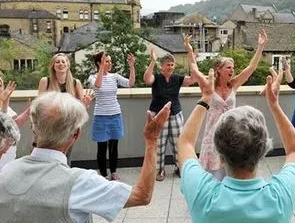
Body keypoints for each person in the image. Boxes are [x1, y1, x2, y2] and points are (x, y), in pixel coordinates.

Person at [0, 91, 171, 223]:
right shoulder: (78, 183)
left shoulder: (6, 172)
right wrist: (152, 140)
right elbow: (142, 195)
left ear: (33, 128)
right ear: (76, 134)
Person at [178, 62, 295, 223]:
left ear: (219, 150)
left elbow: (186, 143)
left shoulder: (202, 193)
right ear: (264, 149)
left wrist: (205, 100)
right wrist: (274, 104)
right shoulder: (281, 196)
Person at [191, 29, 268, 180]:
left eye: (233, 68)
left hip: (231, 129)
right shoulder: (209, 86)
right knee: (212, 173)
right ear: (219, 69)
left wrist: (260, 47)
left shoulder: (233, 85)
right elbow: (194, 71)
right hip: (212, 131)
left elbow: (250, 68)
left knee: (230, 167)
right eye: (228, 68)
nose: (232, 70)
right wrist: (189, 51)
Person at [144, 48, 196, 181]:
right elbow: (147, 79)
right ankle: (160, 171)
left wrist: (191, 56)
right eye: (168, 64)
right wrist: (152, 61)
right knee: (159, 145)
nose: (171, 67)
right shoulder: (157, 77)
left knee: (178, 143)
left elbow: (193, 79)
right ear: (162, 66)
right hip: (158, 116)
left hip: (175, 115)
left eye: (172, 64)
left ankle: (180, 167)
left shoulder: (177, 78)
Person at [38, 53, 94, 164]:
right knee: (49, 156)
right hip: (50, 126)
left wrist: (86, 104)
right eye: (57, 62)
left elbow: (80, 109)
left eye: (63, 61)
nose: (60, 64)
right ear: (53, 66)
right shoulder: (45, 81)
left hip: (68, 126)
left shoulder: (75, 83)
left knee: (65, 157)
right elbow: (39, 106)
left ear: (68, 66)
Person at [88, 51, 135, 180]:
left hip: (115, 115)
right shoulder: (93, 77)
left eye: (109, 61)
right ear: (99, 63)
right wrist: (101, 69)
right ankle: (103, 175)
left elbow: (130, 83)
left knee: (114, 146)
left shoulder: (115, 76)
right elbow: (97, 85)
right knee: (102, 147)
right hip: (101, 116)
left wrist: (131, 66)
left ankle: (113, 172)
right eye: (106, 61)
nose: (109, 63)